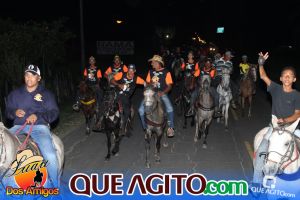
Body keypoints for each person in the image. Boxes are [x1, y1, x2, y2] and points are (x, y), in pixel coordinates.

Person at [6, 64, 60, 188]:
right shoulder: (15, 94)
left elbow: (54, 112)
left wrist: (38, 117)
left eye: (32, 75)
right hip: (17, 126)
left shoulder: (47, 94)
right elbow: (8, 111)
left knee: (50, 155)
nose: (29, 78)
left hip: (39, 128)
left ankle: (54, 188)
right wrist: (14, 112)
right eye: (27, 75)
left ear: (39, 78)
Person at [251, 52, 300, 189]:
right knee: (261, 149)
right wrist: (261, 63)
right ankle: (256, 181)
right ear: (280, 78)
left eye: (290, 76)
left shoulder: (297, 95)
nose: (287, 77)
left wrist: (285, 120)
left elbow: (297, 114)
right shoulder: (275, 89)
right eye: (285, 75)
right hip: (274, 127)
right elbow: (263, 76)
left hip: (292, 128)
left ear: (294, 79)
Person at [138, 55, 175, 137]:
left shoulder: (166, 72)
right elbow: (147, 83)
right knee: (140, 110)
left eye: (153, 62)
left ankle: (171, 127)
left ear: (158, 63)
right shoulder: (150, 72)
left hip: (161, 93)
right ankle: (145, 127)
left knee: (170, 108)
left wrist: (162, 93)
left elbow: (169, 86)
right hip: (151, 93)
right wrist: (150, 84)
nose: (151, 64)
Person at [110, 64, 145, 136]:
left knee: (127, 111)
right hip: (117, 93)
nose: (131, 72)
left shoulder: (136, 78)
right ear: (127, 70)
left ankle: (123, 128)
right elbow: (112, 80)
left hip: (126, 96)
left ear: (135, 71)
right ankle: (101, 121)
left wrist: (149, 88)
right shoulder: (121, 74)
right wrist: (118, 85)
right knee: (108, 103)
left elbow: (145, 83)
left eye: (132, 71)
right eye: (129, 70)